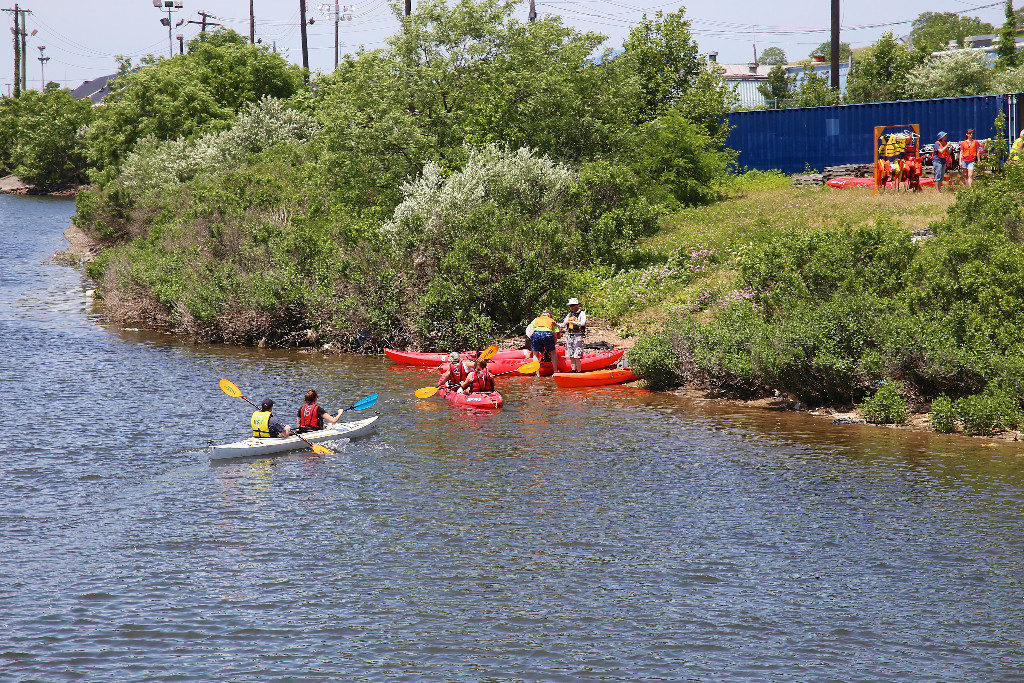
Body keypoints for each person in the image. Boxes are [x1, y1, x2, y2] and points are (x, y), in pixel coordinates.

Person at [526, 309, 559, 376]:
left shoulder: (536, 319)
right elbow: (555, 334)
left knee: (535, 354)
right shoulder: (551, 320)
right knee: (553, 353)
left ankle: (537, 373)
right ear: (549, 315)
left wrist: (533, 343)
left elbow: (531, 332)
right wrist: (554, 344)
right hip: (547, 334)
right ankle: (555, 371)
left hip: (536, 334)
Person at [561, 297, 587, 373]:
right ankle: (573, 371)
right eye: (570, 306)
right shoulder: (569, 314)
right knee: (571, 355)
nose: (571, 307)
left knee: (577, 355)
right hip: (570, 335)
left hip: (578, 335)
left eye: (572, 305)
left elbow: (582, 323)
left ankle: (579, 372)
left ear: (576, 305)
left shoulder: (582, 313)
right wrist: (556, 325)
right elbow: (564, 324)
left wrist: (573, 322)